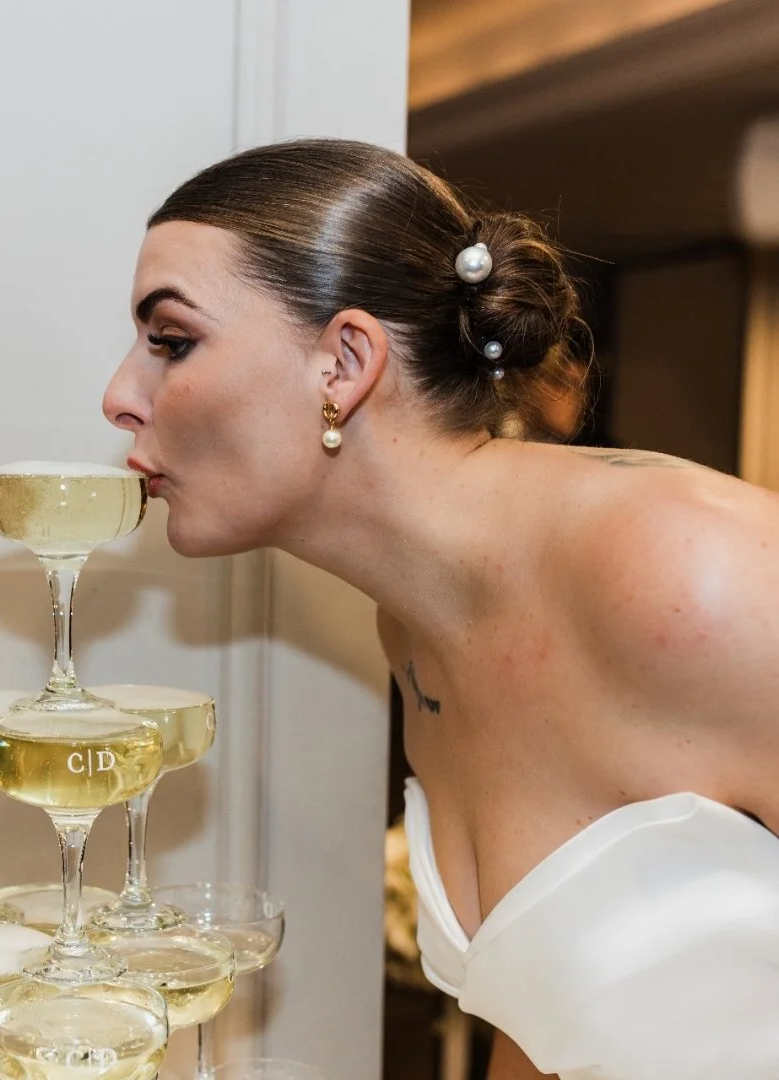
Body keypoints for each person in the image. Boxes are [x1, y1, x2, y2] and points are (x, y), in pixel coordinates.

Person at [102, 139, 779, 1080]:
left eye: (171, 342)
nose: (119, 398)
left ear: (344, 361)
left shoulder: (687, 568)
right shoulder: (413, 627)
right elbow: (553, 1029)